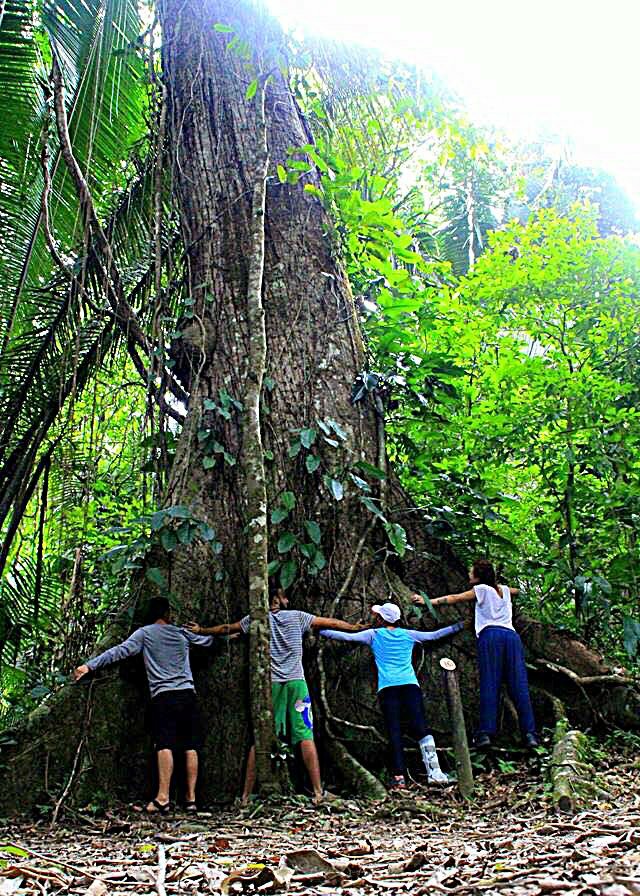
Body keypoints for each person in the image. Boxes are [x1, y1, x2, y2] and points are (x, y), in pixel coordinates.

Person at [186, 582, 364, 805]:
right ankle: (318, 792)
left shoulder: (256, 619)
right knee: (305, 735)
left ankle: (245, 796)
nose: (287, 600)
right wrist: (355, 628)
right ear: (276, 599)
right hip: (297, 684)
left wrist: (202, 630)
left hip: (271, 687)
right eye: (284, 597)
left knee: (262, 737)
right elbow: (330, 622)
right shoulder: (298, 617)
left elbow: (226, 629)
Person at [74, 596, 215, 814]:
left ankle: (163, 798)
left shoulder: (145, 633)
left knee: (164, 744)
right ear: (167, 613)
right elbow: (207, 642)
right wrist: (213, 632)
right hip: (188, 695)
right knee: (191, 745)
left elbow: (120, 651)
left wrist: (89, 666)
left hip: (164, 696)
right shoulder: (181, 632)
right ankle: (191, 800)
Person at [319, 601, 464, 790]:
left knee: (394, 731)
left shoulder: (373, 634)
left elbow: (346, 637)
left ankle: (399, 778)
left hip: (388, 689)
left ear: (380, 619)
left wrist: (320, 631)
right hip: (410, 686)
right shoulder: (408, 634)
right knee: (420, 726)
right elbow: (435, 635)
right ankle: (434, 772)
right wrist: (460, 625)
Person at [413, 558, 538, 748]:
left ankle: (485, 734)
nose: (469, 574)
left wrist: (426, 601)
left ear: (479, 576)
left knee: (490, 683)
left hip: (491, 636)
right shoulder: (504, 590)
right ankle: (530, 734)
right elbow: (517, 591)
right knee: (518, 685)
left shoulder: (481, 590)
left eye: (472, 572)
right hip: (512, 637)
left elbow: (453, 598)